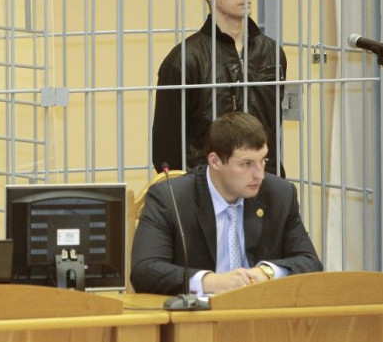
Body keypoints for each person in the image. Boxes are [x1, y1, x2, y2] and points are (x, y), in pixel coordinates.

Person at [131, 111, 321, 296]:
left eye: (263, 160)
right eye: (246, 164)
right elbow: (144, 270)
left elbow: (310, 263)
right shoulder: (170, 198)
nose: (260, 174)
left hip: (260, 316)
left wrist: (267, 272)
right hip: (198, 320)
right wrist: (212, 282)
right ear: (215, 162)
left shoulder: (279, 194)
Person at [152, 0, 287, 177]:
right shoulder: (184, 60)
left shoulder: (271, 53)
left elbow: (272, 129)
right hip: (207, 191)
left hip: (263, 182)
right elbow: (167, 149)